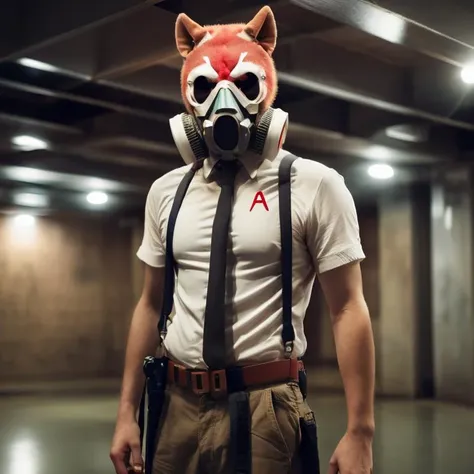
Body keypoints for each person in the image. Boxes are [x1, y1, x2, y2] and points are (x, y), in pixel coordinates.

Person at [110, 5, 375, 474]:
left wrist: (361, 431)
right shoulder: (167, 191)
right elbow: (150, 305)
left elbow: (348, 307)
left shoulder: (314, 185)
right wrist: (126, 413)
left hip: (265, 408)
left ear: (265, 92)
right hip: (174, 405)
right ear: (189, 97)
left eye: (245, 85)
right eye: (206, 88)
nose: (224, 101)